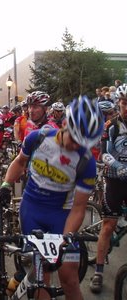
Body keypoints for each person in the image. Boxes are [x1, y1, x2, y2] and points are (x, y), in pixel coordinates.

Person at [0, 95, 104, 300]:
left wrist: (66, 238)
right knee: (41, 278)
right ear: (64, 124)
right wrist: (5, 185)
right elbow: (20, 163)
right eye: (74, 138)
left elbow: (79, 208)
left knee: (70, 279)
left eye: (84, 142)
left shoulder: (86, 161)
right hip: (32, 211)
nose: (77, 145)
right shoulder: (37, 138)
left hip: (62, 215)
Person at [90, 83, 127, 293]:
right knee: (108, 225)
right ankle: (98, 270)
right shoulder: (111, 126)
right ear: (118, 103)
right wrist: (117, 166)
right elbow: (103, 153)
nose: (126, 108)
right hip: (114, 180)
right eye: (123, 103)